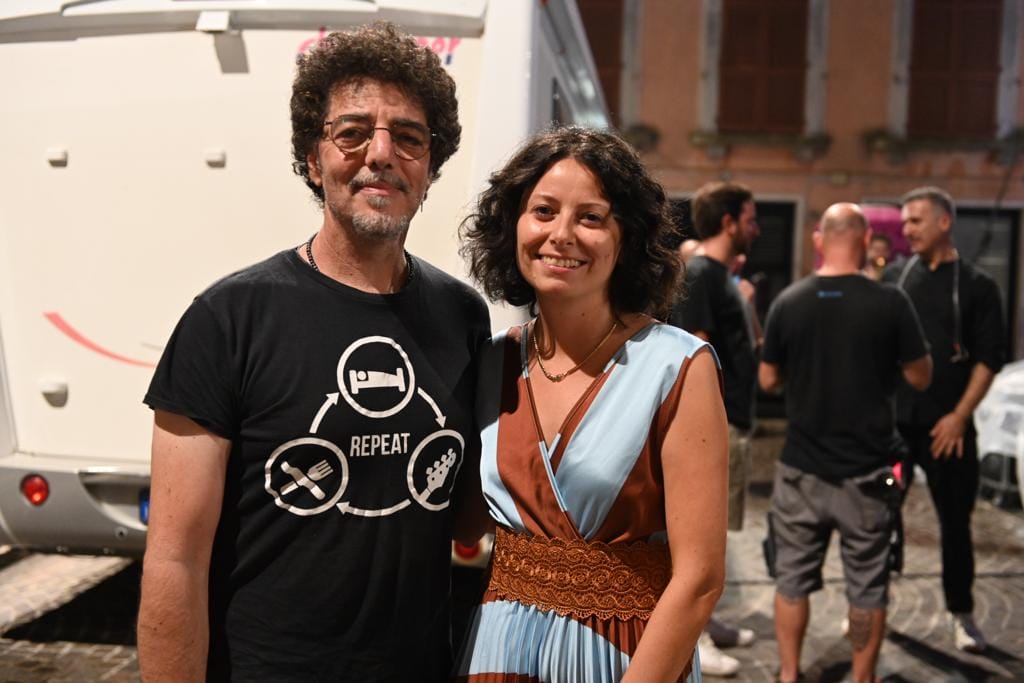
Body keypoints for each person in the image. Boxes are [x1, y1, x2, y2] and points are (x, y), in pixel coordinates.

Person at [137, 22, 490, 682]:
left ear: (430, 169)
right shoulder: (228, 319)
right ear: (312, 159)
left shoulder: (461, 315)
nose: (381, 153)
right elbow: (175, 561)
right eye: (352, 133)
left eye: (408, 137)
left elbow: (470, 517)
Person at [454, 127, 728, 682]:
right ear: (513, 226)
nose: (561, 235)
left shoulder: (677, 366)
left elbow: (699, 580)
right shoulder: (491, 361)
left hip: (624, 655)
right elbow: (464, 523)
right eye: (543, 211)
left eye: (591, 217)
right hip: (495, 650)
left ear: (626, 239)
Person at [759, 203, 932, 683]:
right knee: (867, 587)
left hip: (801, 470)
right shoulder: (891, 303)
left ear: (819, 239)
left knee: (791, 580)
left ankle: (788, 674)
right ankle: (862, 679)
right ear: (865, 238)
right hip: (869, 474)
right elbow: (921, 377)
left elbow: (768, 379)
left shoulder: (789, 301)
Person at [886, 186, 1006, 653]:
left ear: (944, 222)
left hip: (948, 432)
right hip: (897, 432)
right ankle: (875, 602)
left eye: (916, 221)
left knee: (955, 525)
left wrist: (958, 417)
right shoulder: (896, 277)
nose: (907, 230)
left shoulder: (978, 286)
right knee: (880, 518)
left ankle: (961, 613)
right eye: (905, 221)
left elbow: (988, 360)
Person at [667, 181, 760, 677]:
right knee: (698, 538)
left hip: (732, 421)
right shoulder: (702, 272)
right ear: (728, 222)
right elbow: (694, 350)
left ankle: (708, 621)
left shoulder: (723, 276)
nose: (756, 228)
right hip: (711, 428)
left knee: (715, 535)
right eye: (750, 218)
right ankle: (694, 640)